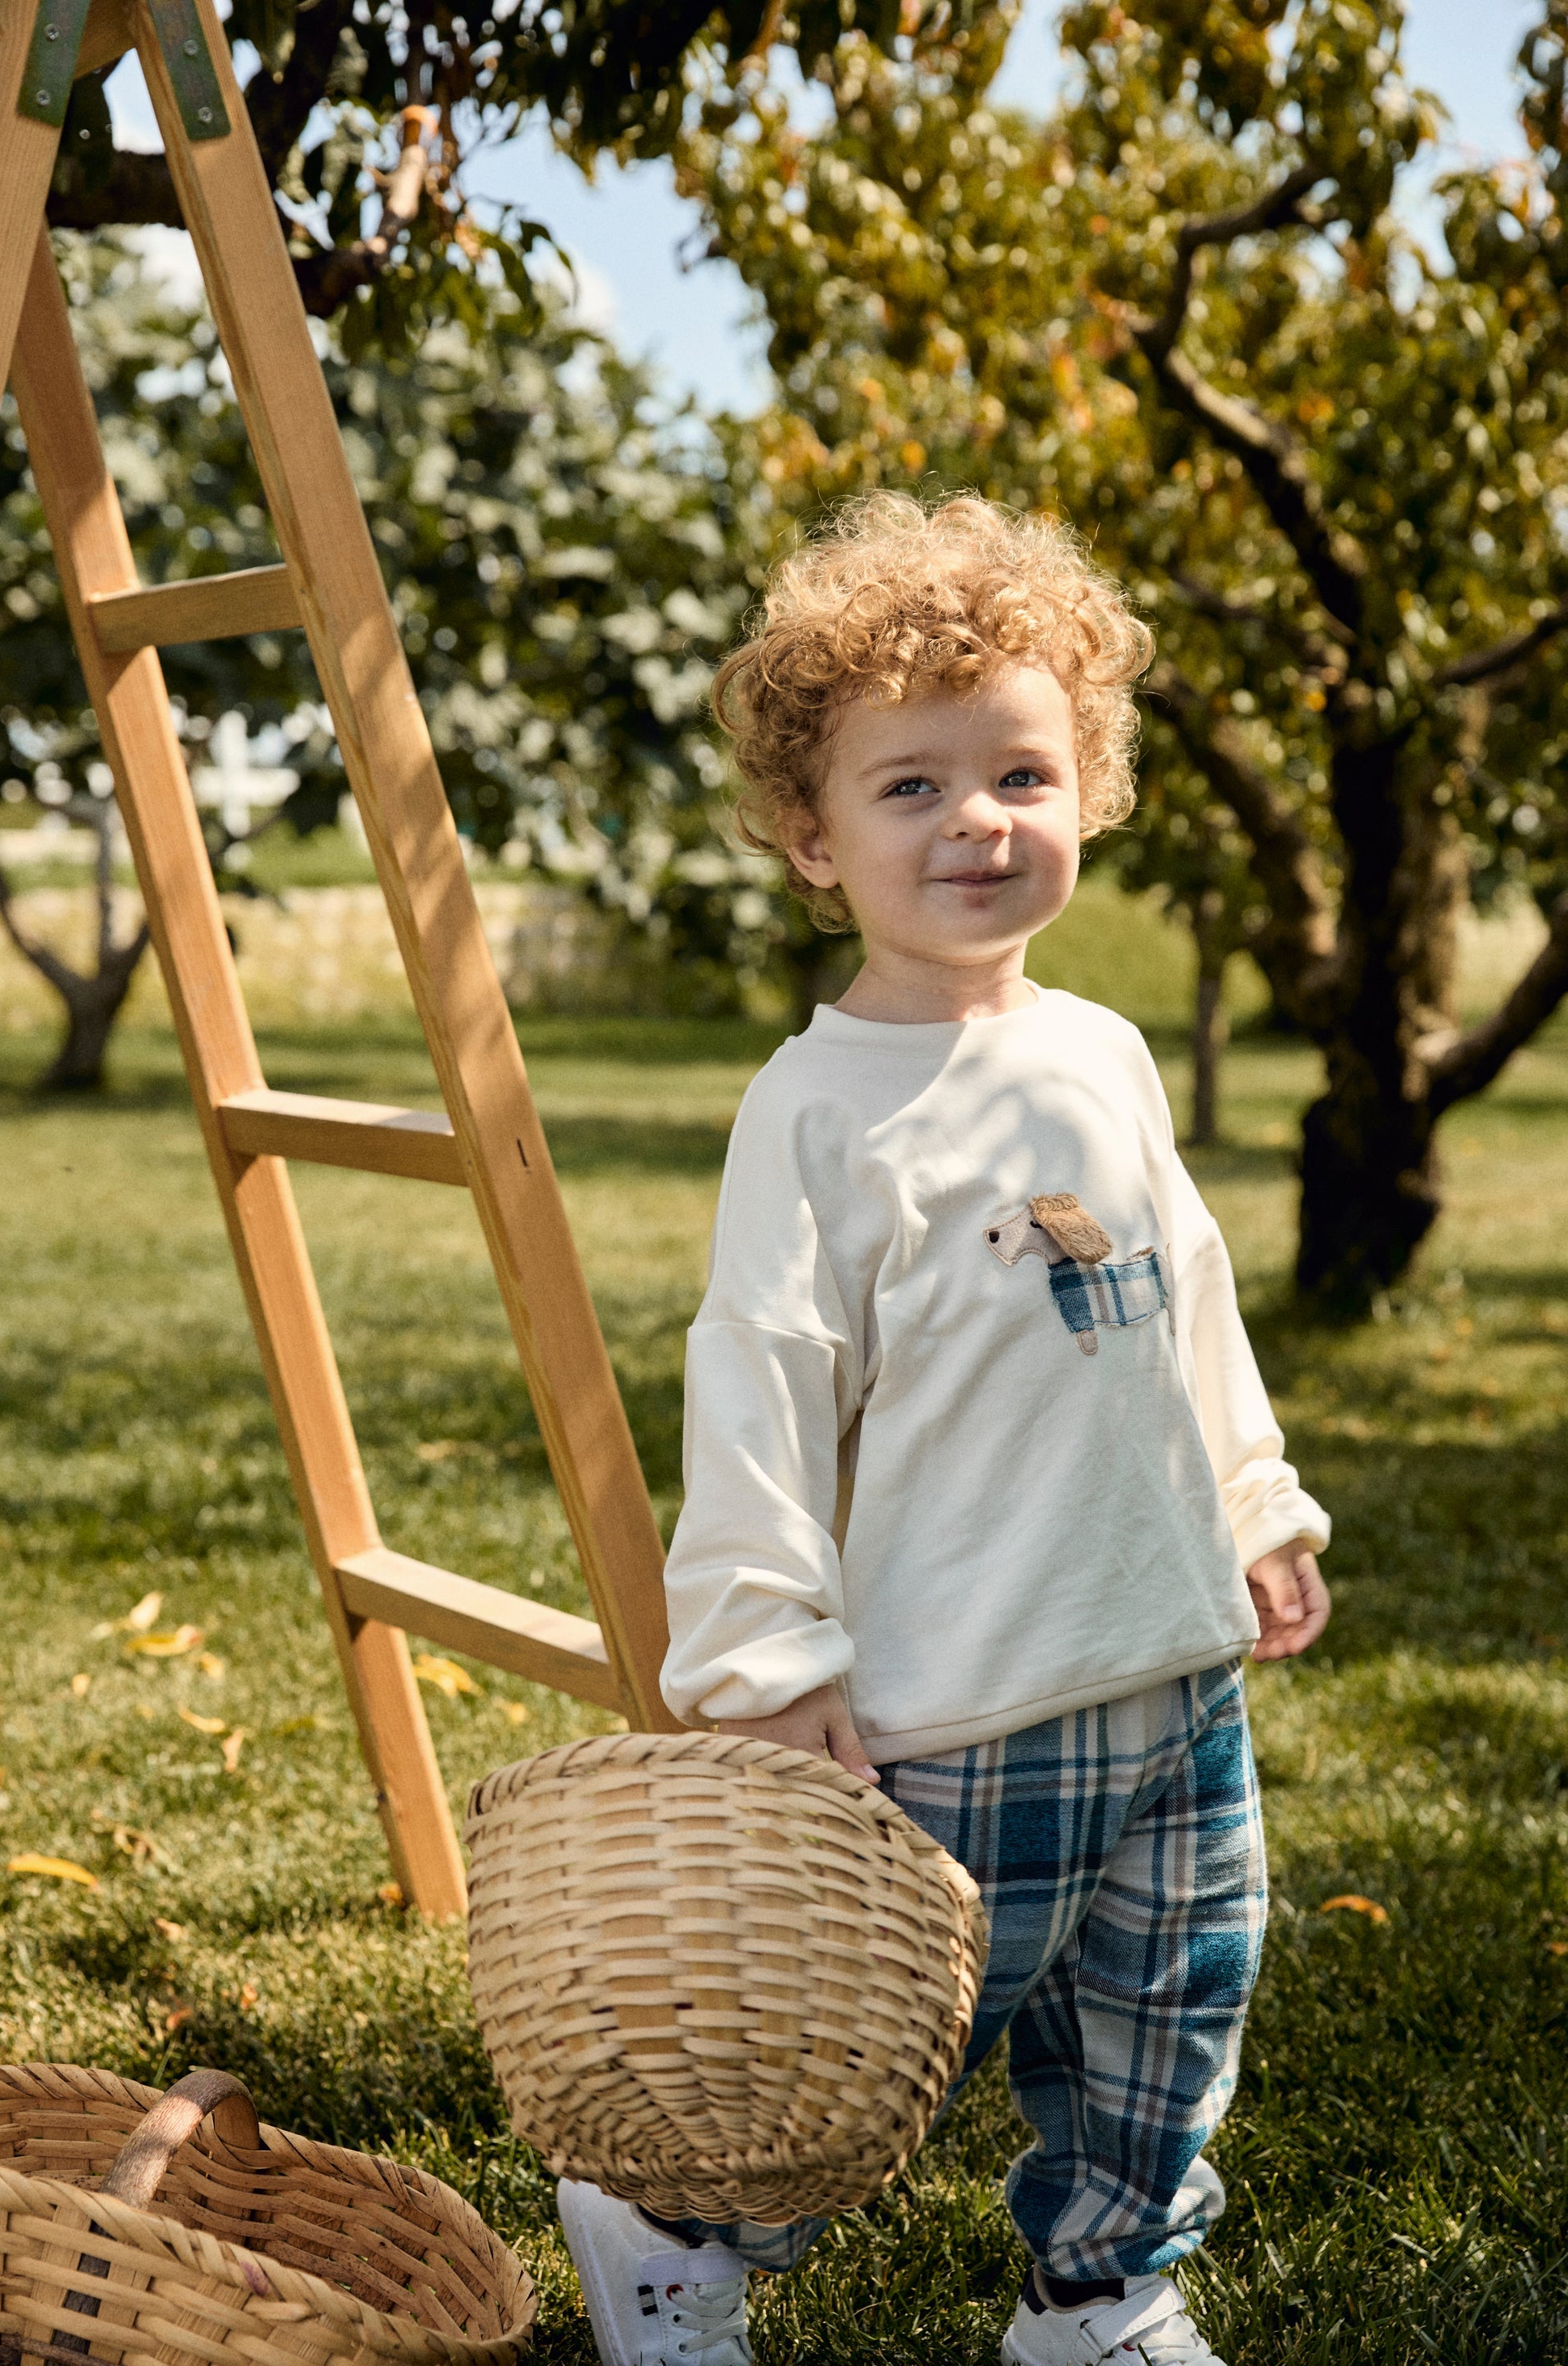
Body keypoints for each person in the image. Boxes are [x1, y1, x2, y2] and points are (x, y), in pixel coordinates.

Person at [557, 493, 1331, 2366]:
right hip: (953, 1692)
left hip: (1169, 1663)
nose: (977, 819)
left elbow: (1190, 1297)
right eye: (910, 787)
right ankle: (673, 2229)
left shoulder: (1104, 1056)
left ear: (1093, 792)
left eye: (1020, 771)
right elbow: (754, 1380)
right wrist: (763, 1649)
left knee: (1168, 2008)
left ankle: (1103, 2295)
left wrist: (1251, 1492)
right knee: (884, 2033)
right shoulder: (816, 1111)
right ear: (813, 841)